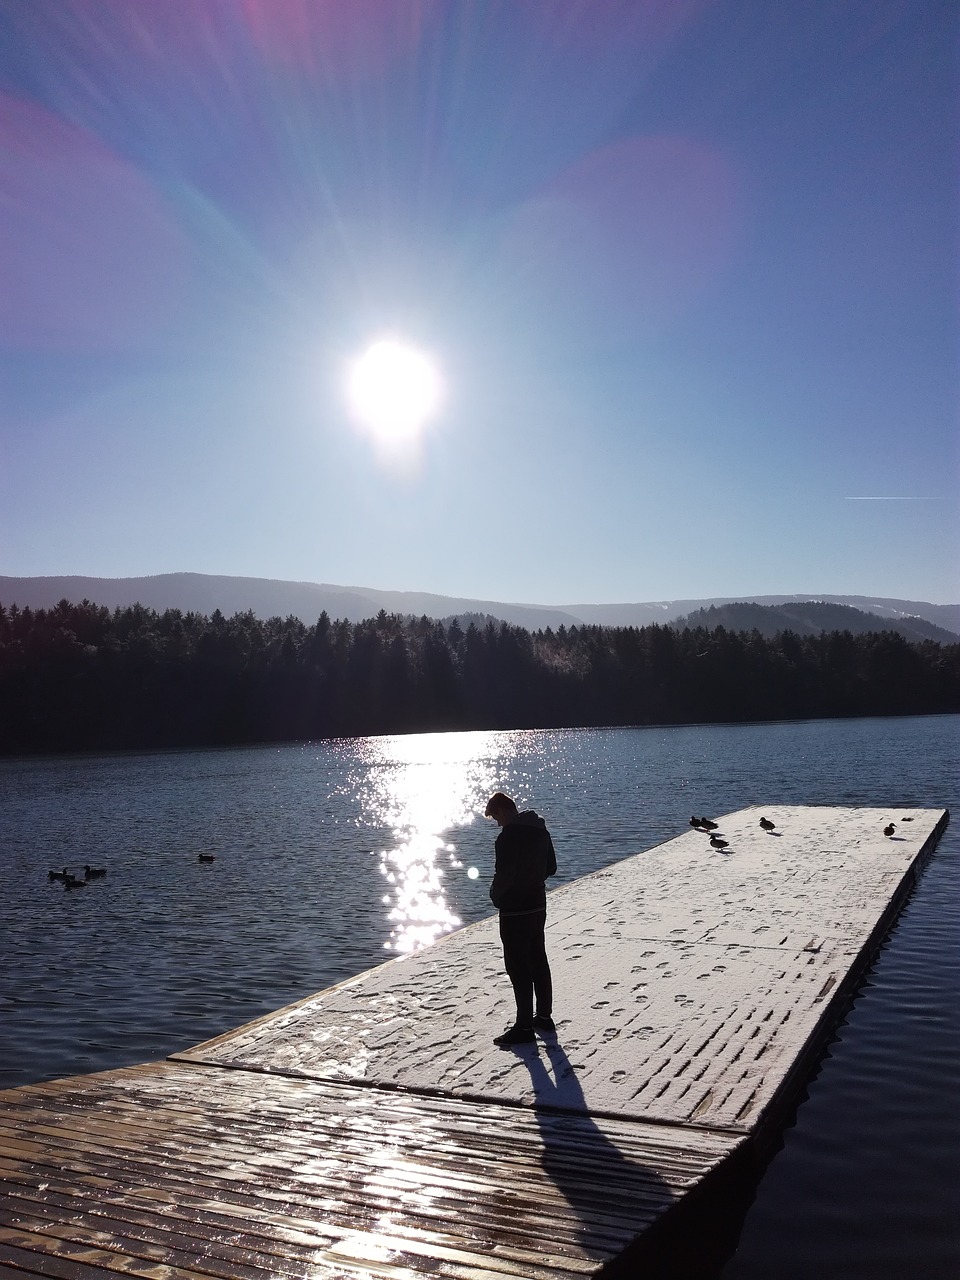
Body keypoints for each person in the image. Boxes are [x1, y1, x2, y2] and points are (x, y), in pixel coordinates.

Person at [484, 791, 557, 1046]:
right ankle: (544, 1017)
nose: (497, 823)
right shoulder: (540, 830)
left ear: (503, 811)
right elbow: (552, 868)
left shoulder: (507, 838)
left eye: (495, 818)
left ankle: (524, 1026)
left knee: (518, 967)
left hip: (515, 910)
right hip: (538, 905)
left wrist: (496, 896)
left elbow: (504, 875)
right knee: (539, 959)